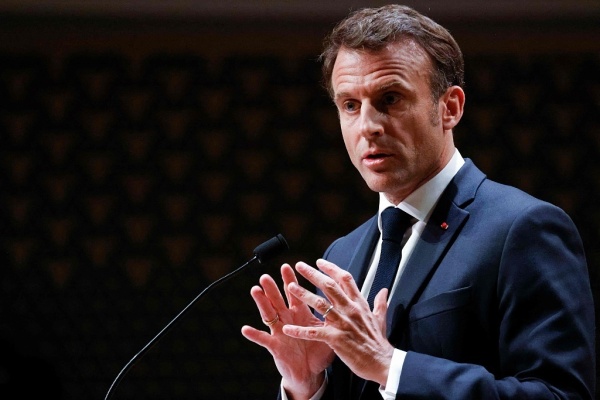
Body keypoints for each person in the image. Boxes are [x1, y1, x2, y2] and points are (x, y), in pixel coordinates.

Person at [241, 4, 596, 399]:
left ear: (450, 108)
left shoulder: (523, 229)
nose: (368, 126)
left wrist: (391, 367)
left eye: (390, 98)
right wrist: (307, 386)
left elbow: (560, 394)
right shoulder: (342, 255)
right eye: (350, 105)